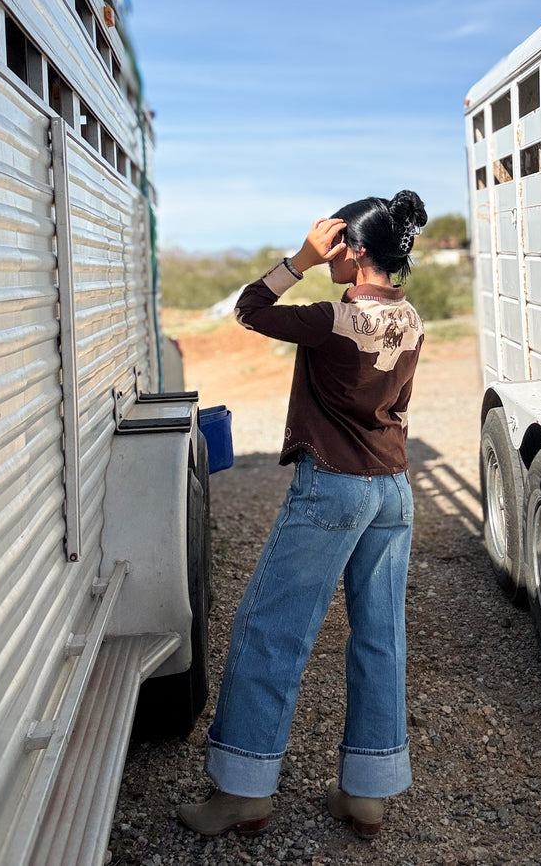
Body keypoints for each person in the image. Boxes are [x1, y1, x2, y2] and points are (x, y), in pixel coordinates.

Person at [179, 190, 428, 840]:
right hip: (392, 489)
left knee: (271, 629)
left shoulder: (330, 320)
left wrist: (301, 259)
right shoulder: (413, 319)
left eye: (337, 243)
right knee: (380, 635)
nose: (330, 252)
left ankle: (242, 790)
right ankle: (367, 793)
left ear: (356, 250)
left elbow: (249, 308)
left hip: (333, 489)